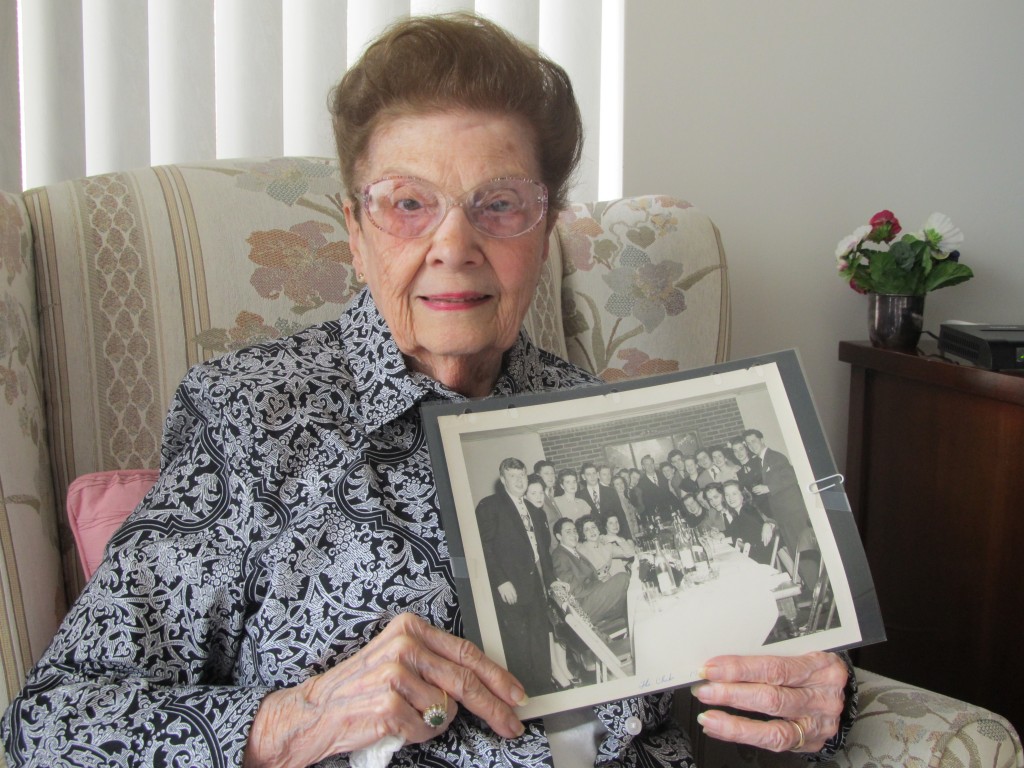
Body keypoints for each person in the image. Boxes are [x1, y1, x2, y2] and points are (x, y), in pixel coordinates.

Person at [1, 13, 853, 767]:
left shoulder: (594, 414)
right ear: (355, 232)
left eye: (500, 204)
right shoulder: (252, 416)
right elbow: (51, 725)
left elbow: (716, 683)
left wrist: (811, 697)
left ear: (545, 228)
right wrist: (303, 718)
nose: (454, 244)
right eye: (409, 204)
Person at [476, 459, 556, 696]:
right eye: (513, 477)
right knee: (519, 649)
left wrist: (551, 580)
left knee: (540, 642)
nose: (520, 481)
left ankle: (546, 692)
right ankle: (525, 697)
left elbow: (542, 550)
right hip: (510, 589)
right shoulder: (490, 506)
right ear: (503, 480)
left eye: (522, 475)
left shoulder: (534, 509)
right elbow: (484, 547)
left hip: (535, 589)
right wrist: (501, 580)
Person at [744, 429, 812, 558]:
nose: (751, 445)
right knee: (795, 552)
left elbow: (792, 477)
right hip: (782, 515)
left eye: (754, 441)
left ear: (762, 440)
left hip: (793, 512)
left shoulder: (775, 457)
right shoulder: (760, 461)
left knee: (803, 552)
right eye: (748, 443)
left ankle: (814, 578)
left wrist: (768, 488)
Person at [550, 518, 629, 628]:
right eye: (568, 532)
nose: (573, 534)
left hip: (591, 599)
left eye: (575, 531)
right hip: (584, 605)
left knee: (627, 598)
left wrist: (602, 582)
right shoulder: (559, 556)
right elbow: (575, 591)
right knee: (623, 578)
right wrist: (601, 585)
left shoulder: (573, 552)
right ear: (559, 536)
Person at [610, 474, 642, 539]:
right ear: (613, 487)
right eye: (617, 484)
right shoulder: (616, 501)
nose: (620, 486)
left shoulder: (626, 498)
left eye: (621, 483)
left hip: (635, 531)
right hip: (627, 533)